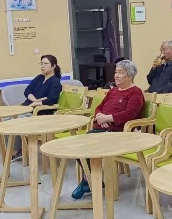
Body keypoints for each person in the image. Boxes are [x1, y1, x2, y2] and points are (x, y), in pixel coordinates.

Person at [71, 60, 144, 199]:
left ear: (130, 75)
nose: (116, 75)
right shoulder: (113, 91)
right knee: (77, 145)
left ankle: (89, 181)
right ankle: (91, 180)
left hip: (117, 132)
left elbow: (130, 113)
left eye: (120, 72)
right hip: (102, 128)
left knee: (81, 146)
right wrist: (99, 116)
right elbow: (99, 106)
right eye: (116, 72)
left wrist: (108, 118)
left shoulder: (136, 92)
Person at [10, 54, 62, 161]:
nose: (42, 66)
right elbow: (27, 91)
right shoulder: (39, 78)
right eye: (41, 63)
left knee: (15, 122)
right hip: (28, 108)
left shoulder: (55, 82)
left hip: (40, 113)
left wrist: (36, 104)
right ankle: (15, 150)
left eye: (45, 63)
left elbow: (51, 100)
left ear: (53, 66)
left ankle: (20, 150)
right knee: (6, 120)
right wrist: (36, 101)